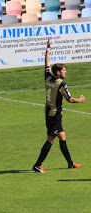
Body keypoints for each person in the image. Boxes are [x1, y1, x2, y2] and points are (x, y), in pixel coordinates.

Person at [32, 38, 85, 173]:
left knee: (62, 137)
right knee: (51, 139)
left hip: (49, 112)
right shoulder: (60, 83)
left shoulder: (47, 78)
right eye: (63, 70)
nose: (65, 72)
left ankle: (70, 163)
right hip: (54, 115)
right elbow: (70, 100)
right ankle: (38, 164)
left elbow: (46, 64)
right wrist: (80, 100)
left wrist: (48, 49)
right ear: (58, 72)